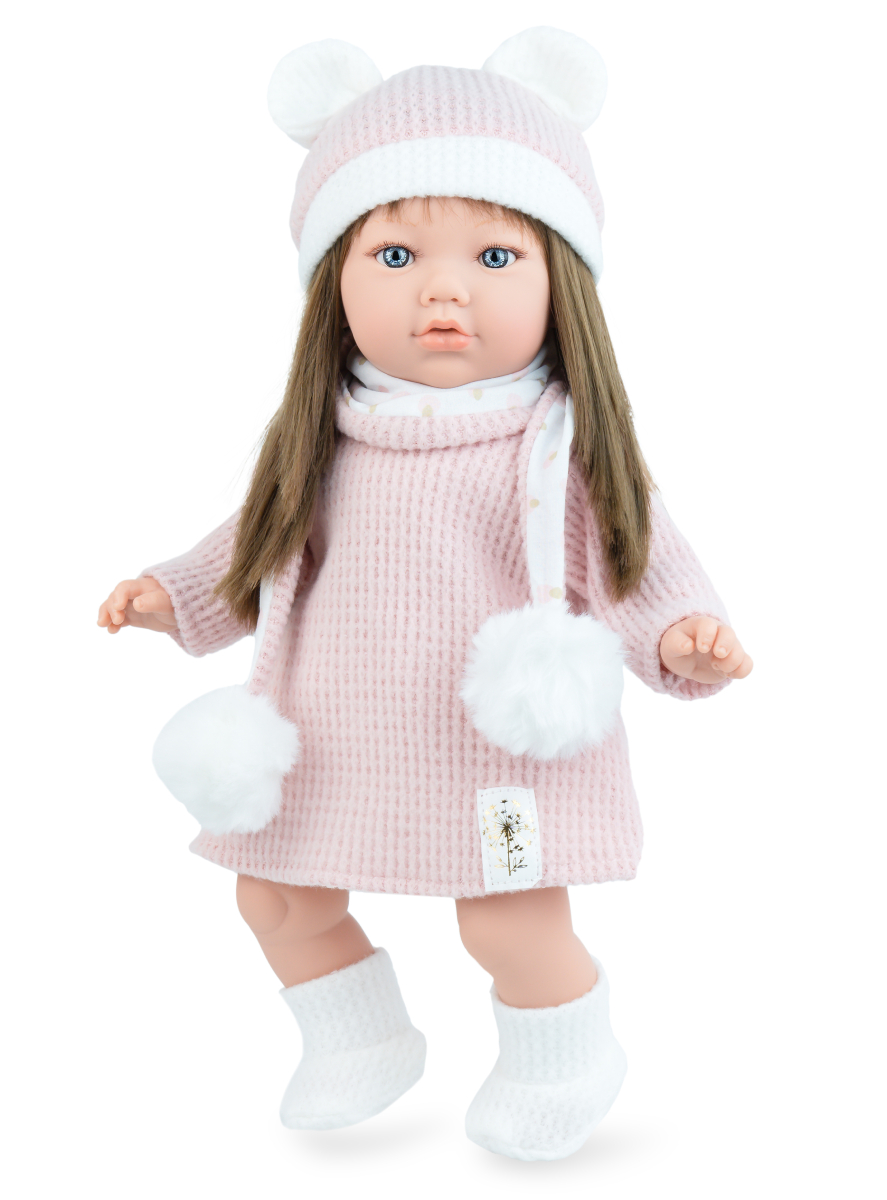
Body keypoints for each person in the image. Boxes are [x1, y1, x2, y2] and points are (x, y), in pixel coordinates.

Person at [97, 28, 752, 1162]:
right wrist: (175, 593)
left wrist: (680, 635)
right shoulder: (325, 438)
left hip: (491, 750)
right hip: (334, 736)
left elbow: (635, 557)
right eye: (395, 255)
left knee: (507, 916)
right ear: (333, 283)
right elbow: (253, 548)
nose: (443, 289)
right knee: (275, 898)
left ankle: (564, 1057)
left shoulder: (553, 447)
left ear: (560, 281)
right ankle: (359, 1040)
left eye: (494, 256)